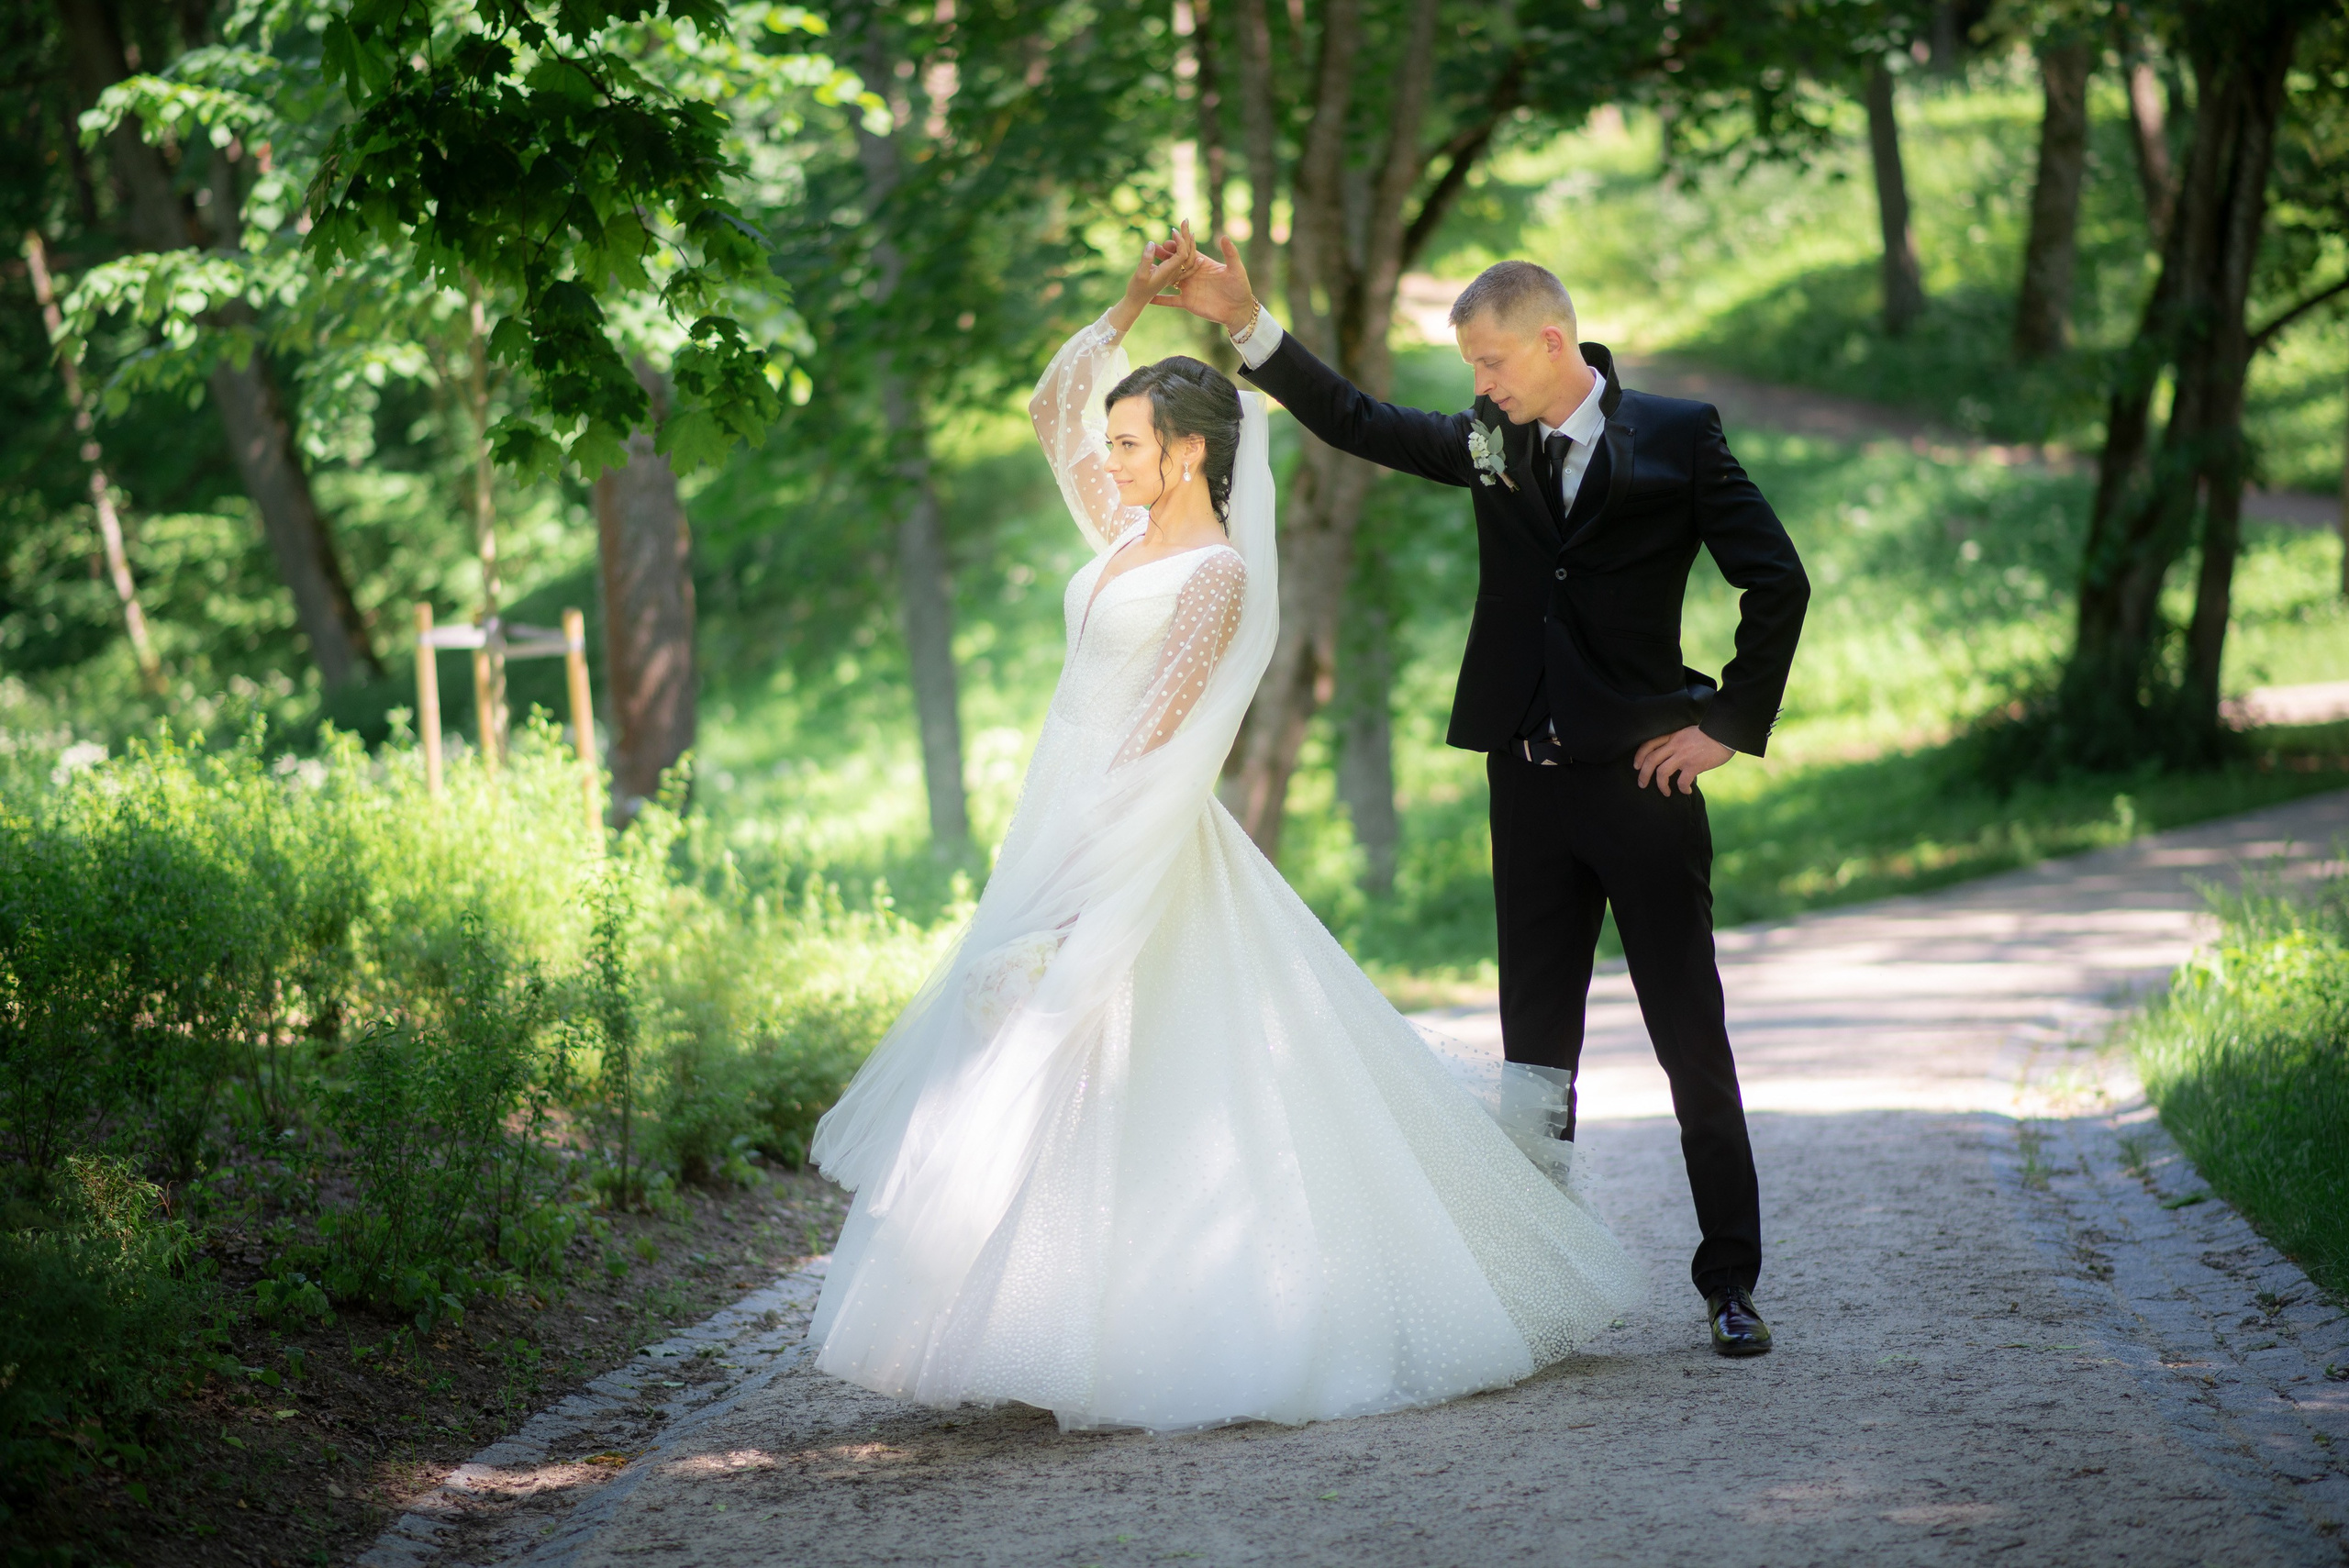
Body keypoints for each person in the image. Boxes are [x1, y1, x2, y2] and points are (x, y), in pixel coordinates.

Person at [806, 229, 1644, 1434]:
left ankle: (1155, 1321)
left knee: (1141, 1062)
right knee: (1064, 1066)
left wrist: (1087, 878)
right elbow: (1055, 410)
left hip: (1130, 836)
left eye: (1134, 442)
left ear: (1190, 454)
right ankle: (1024, 1322)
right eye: (1117, 444)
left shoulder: (1208, 578)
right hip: (1063, 820)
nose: (1111, 456)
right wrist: (1129, 308)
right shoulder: (1124, 534)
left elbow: (1156, 738)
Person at [1153, 239, 1809, 1358]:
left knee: (1688, 1036)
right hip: (1527, 784)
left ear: (1552, 341)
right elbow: (1357, 420)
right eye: (1472, 368)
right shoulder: (1487, 443)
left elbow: (1775, 579)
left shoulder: (1679, 435)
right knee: (1532, 1057)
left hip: (1644, 786)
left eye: (1493, 362)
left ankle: (1729, 1284)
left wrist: (1722, 728)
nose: (1480, 386)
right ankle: (1537, 1287)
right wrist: (1248, 321)